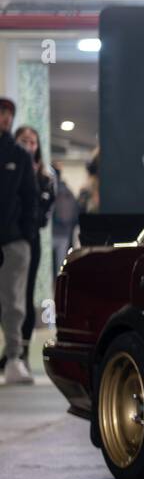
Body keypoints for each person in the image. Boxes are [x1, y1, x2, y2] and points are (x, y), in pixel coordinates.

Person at [3, 127, 56, 372]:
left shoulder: (45, 176)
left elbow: (43, 208)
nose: (28, 145)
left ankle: (20, 351)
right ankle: (12, 350)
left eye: (33, 142)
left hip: (29, 238)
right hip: (13, 235)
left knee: (24, 293)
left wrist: (28, 231)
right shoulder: (11, 167)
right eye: (24, 140)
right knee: (9, 295)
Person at [0, 95, 38, 384]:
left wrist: (26, 234)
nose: (5, 118)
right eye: (1, 112)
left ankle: (14, 358)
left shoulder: (20, 155)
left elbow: (30, 198)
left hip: (14, 240)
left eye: (8, 114)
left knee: (13, 301)